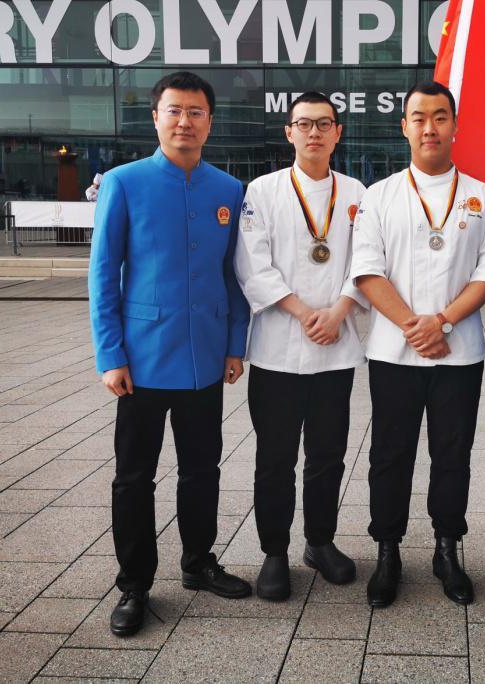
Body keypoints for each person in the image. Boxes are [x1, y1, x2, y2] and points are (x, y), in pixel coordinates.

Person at [89, 71, 252, 638]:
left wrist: (235, 344)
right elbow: (103, 275)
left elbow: (234, 275)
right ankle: (135, 583)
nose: (185, 121)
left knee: (202, 470)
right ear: (156, 117)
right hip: (142, 360)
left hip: (205, 357)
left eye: (196, 112)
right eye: (175, 110)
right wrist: (110, 354)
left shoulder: (228, 190)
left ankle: (198, 562)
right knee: (134, 477)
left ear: (210, 121)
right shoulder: (124, 182)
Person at [350, 81, 485, 607]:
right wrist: (413, 326)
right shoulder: (379, 196)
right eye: (419, 117)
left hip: (458, 352)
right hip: (393, 353)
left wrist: (441, 322)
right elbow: (366, 271)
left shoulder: (482, 197)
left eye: (440, 117)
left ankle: (447, 549)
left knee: (453, 454)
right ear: (405, 127)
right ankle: (387, 551)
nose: (430, 128)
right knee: (389, 455)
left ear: (455, 126)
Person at [234, 92, 366, 601]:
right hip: (278, 350)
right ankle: (274, 551)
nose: (314, 132)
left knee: (328, 455)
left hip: (335, 346)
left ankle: (320, 541)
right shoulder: (262, 191)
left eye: (324, 124)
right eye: (304, 124)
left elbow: (366, 261)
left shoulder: (356, 192)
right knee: (275, 458)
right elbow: (252, 265)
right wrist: (303, 312)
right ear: (289, 132)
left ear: (338, 133)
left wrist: (339, 310)